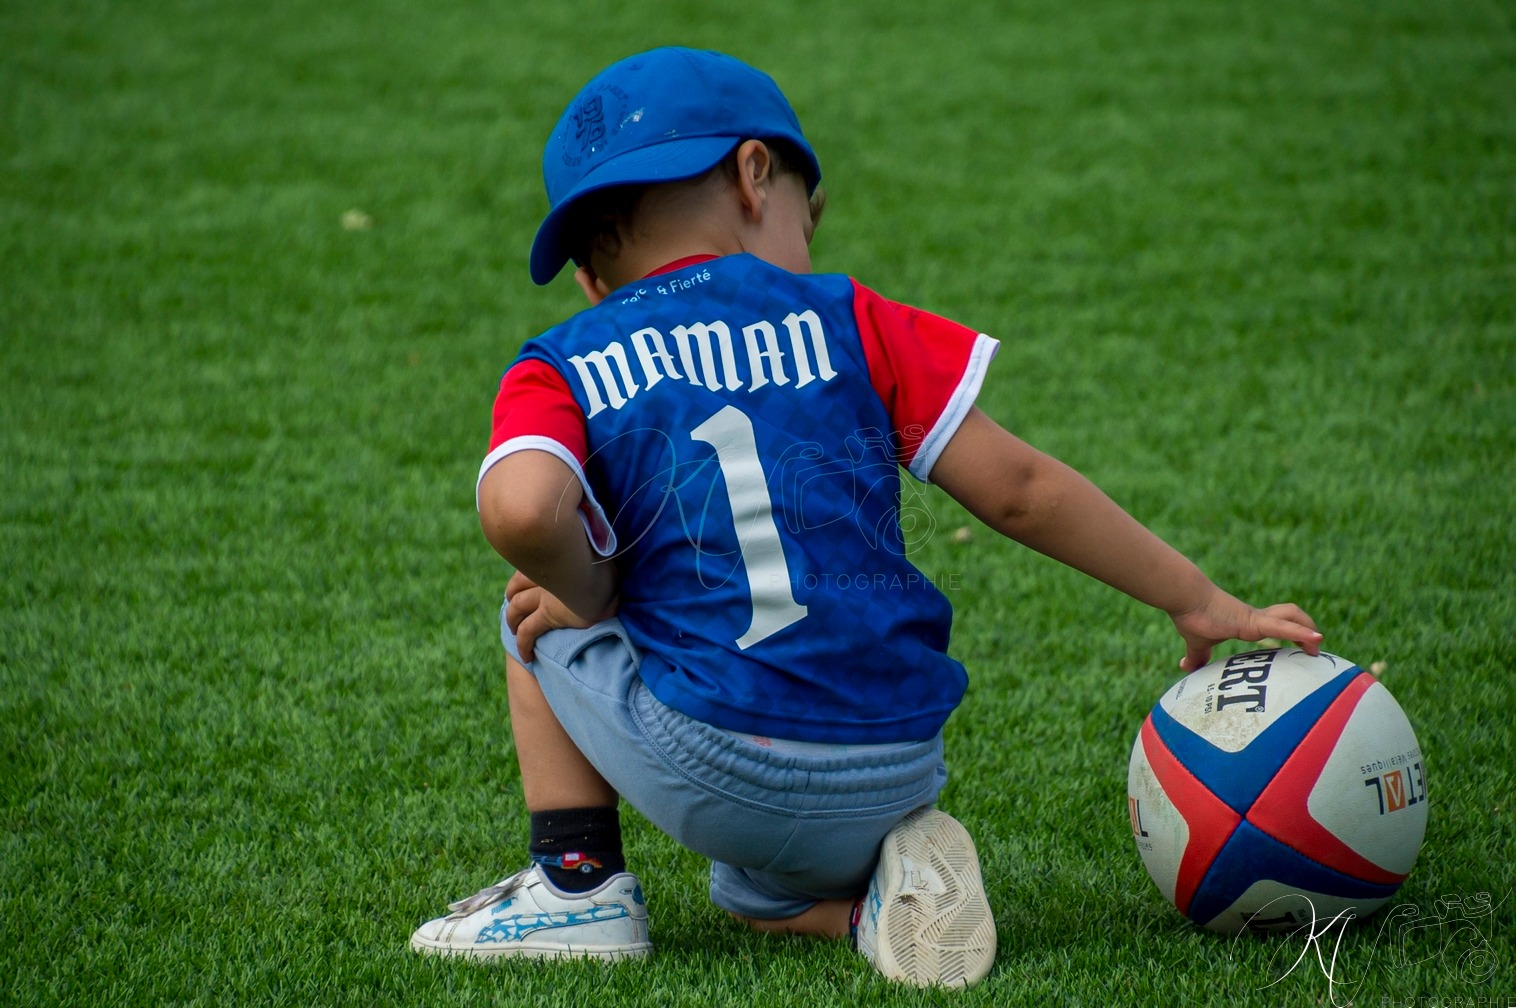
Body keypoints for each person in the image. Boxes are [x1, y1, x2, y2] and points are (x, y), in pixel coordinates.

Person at [409, 46, 1322, 988]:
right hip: (897, 765)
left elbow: (523, 506)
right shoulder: (850, 317)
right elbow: (1020, 489)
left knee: (534, 614)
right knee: (747, 890)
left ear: (590, 277)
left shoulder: (563, 359)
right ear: (756, 175)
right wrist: (1197, 598)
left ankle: (578, 886)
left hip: (724, 769)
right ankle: (873, 906)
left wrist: (590, 590)